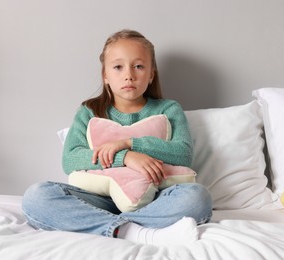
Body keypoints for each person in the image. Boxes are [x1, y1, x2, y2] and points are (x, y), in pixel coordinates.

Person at [22, 29, 212, 245]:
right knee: (36, 196)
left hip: (153, 201)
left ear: (151, 74)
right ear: (105, 75)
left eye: (138, 66)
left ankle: (112, 227)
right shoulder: (89, 111)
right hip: (98, 200)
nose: (129, 75)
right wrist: (125, 157)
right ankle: (136, 232)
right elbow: (71, 159)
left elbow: (183, 154)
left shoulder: (168, 109)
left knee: (197, 197)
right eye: (118, 67)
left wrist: (131, 143)